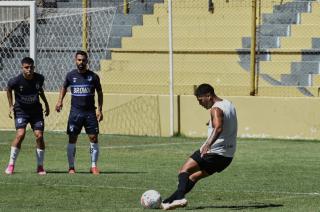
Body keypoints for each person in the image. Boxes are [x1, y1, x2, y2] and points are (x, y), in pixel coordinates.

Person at [161, 83, 237, 210]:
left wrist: (208, 144)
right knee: (193, 177)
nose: (200, 103)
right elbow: (225, 120)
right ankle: (168, 201)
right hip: (227, 157)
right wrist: (211, 121)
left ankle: (179, 198)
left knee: (184, 170)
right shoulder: (229, 104)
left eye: (200, 100)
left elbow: (219, 127)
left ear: (209, 95)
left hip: (213, 152)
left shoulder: (215, 109)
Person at [55, 50, 103, 175]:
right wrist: (60, 101)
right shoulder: (70, 75)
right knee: (72, 138)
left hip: (90, 113)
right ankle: (71, 167)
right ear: (75, 60)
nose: (81, 62)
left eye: (83, 60)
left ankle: (93, 166)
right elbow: (64, 87)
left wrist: (100, 109)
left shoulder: (93, 76)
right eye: (79, 60)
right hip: (75, 112)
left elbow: (99, 92)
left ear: (87, 61)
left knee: (93, 137)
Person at [4, 57, 50, 175]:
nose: (29, 69)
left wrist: (46, 104)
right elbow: (8, 90)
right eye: (26, 67)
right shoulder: (15, 81)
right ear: (22, 68)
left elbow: (40, 91)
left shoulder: (39, 78)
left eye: (31, 67)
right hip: (21, 111)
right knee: (20, 134)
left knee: (39, 136)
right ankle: (11, 164)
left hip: (36, 111)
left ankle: (40, 166)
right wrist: (10, 105)